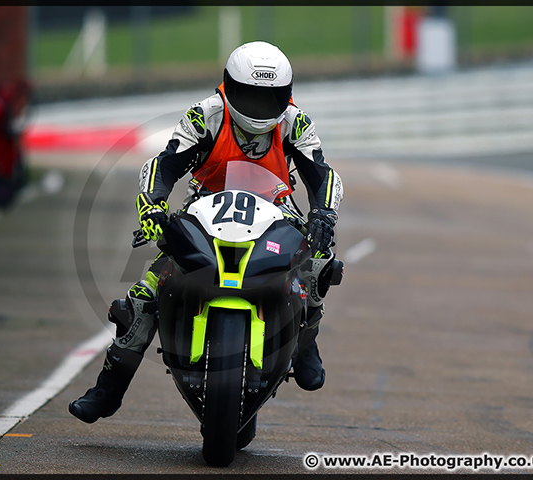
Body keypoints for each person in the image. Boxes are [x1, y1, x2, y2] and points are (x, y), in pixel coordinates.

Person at [69, 41, 344, 424]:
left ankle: (307, 343)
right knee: (146, 293)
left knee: (320, 261)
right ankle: (109, 389)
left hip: (276, 210)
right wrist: (153, 206)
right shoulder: (205, 115)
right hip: (205, 208)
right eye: (250, 96)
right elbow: (163, 165)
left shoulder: (295, 122)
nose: (260, 108)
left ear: (286, 95)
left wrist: (324, 215)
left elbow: (322, 174)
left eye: (270, 99)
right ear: (228, 87)